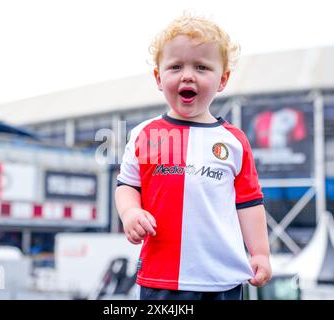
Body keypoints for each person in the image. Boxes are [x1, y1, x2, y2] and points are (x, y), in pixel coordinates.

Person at [115, 12, 272, 300]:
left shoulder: (234, 141)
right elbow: (127, 185)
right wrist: (130, 212)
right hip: (161, 279)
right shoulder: (143, 134)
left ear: (222, 79)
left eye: (201, 67)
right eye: (175, 66)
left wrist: (260, 252)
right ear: (158, 78)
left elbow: (249, 202)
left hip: (223, 280)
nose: (188, 75)